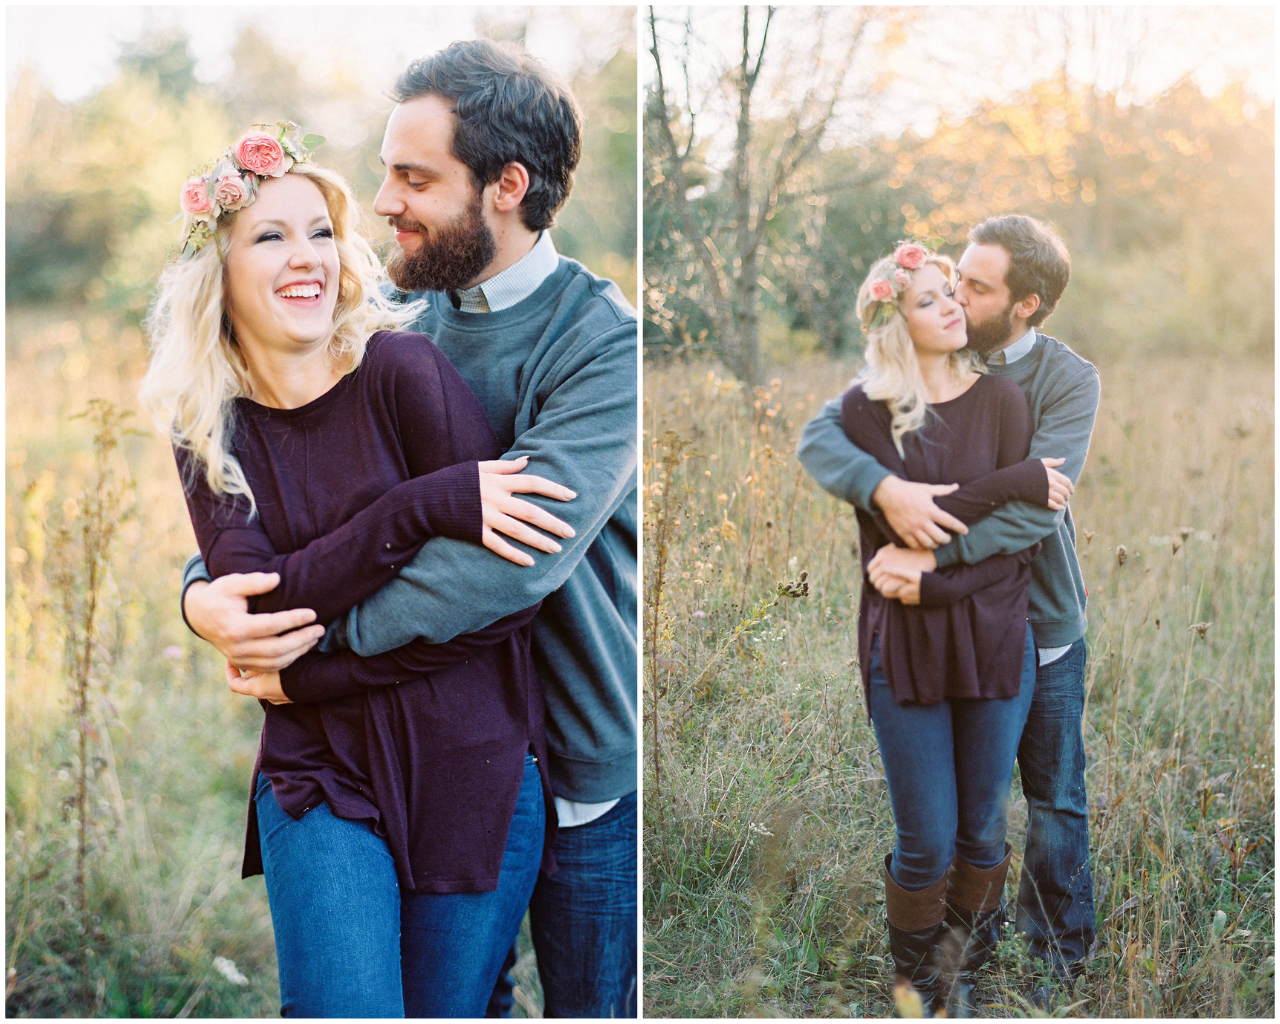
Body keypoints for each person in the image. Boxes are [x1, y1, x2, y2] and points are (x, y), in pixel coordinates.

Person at [179, 41, 639, 1018]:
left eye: (412, 177)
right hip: (439, 727)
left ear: (505, 186)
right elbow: (291, 478)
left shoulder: (600, 344)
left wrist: (303, 660)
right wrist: (206, 590)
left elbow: (502, 569)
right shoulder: (399, 326)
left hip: (573, 753)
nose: (381, 201)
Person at [799, 216, 1100, 995]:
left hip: (1038, 621)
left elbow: (1035, 514)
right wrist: (886, 488)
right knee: (944, 828)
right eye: (949, 283)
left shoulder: (1055, 384)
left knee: (1052, 798)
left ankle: (1059, 957)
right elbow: (820, 439)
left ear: (1026, 305)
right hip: (918, 634)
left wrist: (932, 561)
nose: (958, 297)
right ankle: (940, 976)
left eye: (974, 287)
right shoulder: (903, 387)